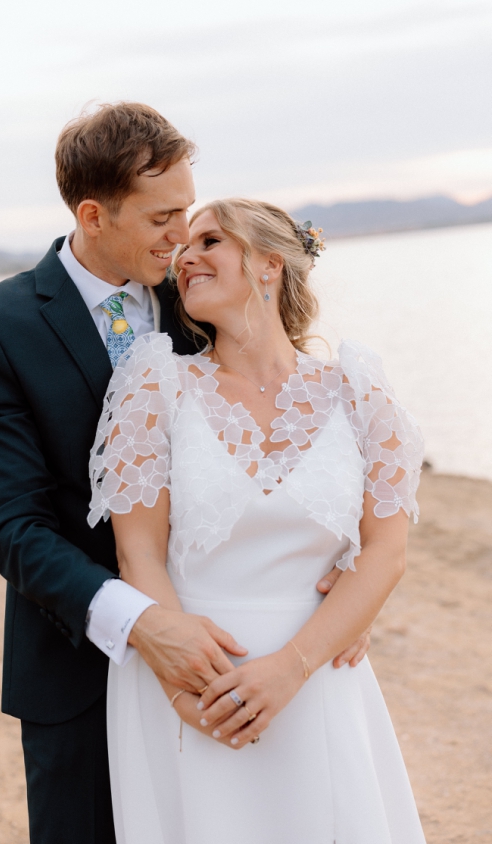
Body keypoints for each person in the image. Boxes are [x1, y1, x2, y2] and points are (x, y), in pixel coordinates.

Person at [0, 103, 369, 843]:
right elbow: (13, 525)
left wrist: (342, 572)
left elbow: (292, 420)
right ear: (94, 214)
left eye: (189, 212)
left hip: (243, 654)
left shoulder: (204, 294)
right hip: (81, 661)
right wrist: (143, 623)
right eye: (163, 218)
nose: (184, 238)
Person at [91, 199, 425, 842]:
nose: (185, 255)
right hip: (191, 685)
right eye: (182, 245)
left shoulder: (359, 391)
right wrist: (183, 681)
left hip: (319, 673)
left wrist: (294, 665)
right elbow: (139, 555)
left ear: (270, 264)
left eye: (210, 239)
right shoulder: (154, 385)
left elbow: (387, 552)